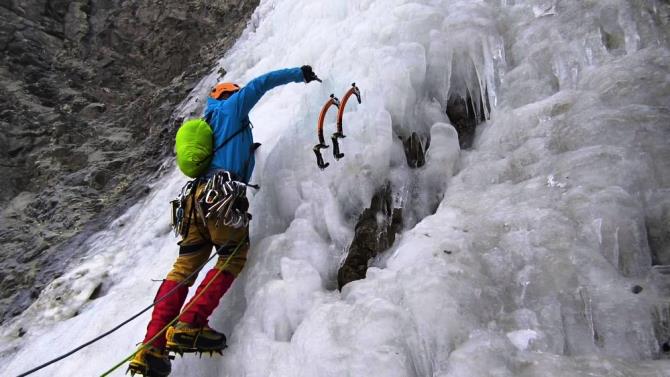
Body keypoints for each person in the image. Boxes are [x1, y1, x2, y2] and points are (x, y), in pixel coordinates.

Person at [128, 66, 321, 377]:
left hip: (194, 202)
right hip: (220, 197)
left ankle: (151, 346)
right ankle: (191, 322)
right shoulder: (232, 106)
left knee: (183, 269)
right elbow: (262, 83)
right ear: (229, 94)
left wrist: (248, 152)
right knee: (233, 256)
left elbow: (230, 153)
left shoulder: (209, 123)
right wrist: (300, 74)